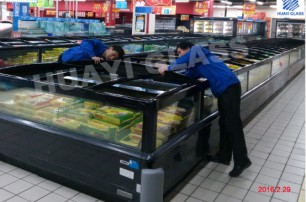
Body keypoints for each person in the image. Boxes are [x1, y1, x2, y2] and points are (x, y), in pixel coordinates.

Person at [156, 41, 251, 177]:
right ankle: (223, 156)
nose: (179, 56)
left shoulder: (197, 50)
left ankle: (242, 160)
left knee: (232, 124)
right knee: (224, 123)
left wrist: (168, 66)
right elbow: (188, 76)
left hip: (230, 87)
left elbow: (184, 60)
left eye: (180, 52)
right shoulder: (194, 64)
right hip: (223, 91)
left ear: (188, 49)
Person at [58, 39, 125, 64]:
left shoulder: (102, 60)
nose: (111, 58)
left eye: (114, 58)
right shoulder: (99, 44)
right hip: (64, 58)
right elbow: (85, 43)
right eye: (113, 54)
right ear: (111, 48)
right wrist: (93, 56)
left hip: (72, 64)